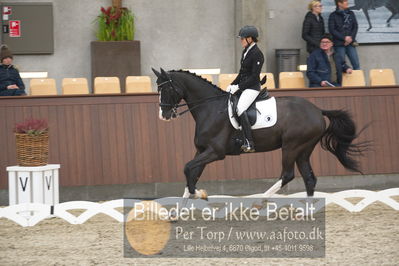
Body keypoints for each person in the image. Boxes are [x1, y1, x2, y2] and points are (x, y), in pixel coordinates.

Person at [226, 25, 264, 153]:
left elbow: (254, 77)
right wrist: (232, 85)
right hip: (244, 86)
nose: (241, 41)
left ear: (250, 39)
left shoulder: (257, 54)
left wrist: (239, 87)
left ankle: (249, 142)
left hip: (252, 88)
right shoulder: (245, 51)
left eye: (242, 39)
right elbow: (242, 74)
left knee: (240, 108)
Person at [328, 0, 360, 70]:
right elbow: (332, 30)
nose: (347, 3)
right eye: (345, 1)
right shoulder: (333, 15)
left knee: (356, 65)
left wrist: (351, 38)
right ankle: (342, 81)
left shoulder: (351, 13)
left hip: (350, 43)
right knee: (341, 66)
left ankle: (358, 81)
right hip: (339, 44)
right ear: (339, 3)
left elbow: (355, 26)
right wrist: (344, 38)